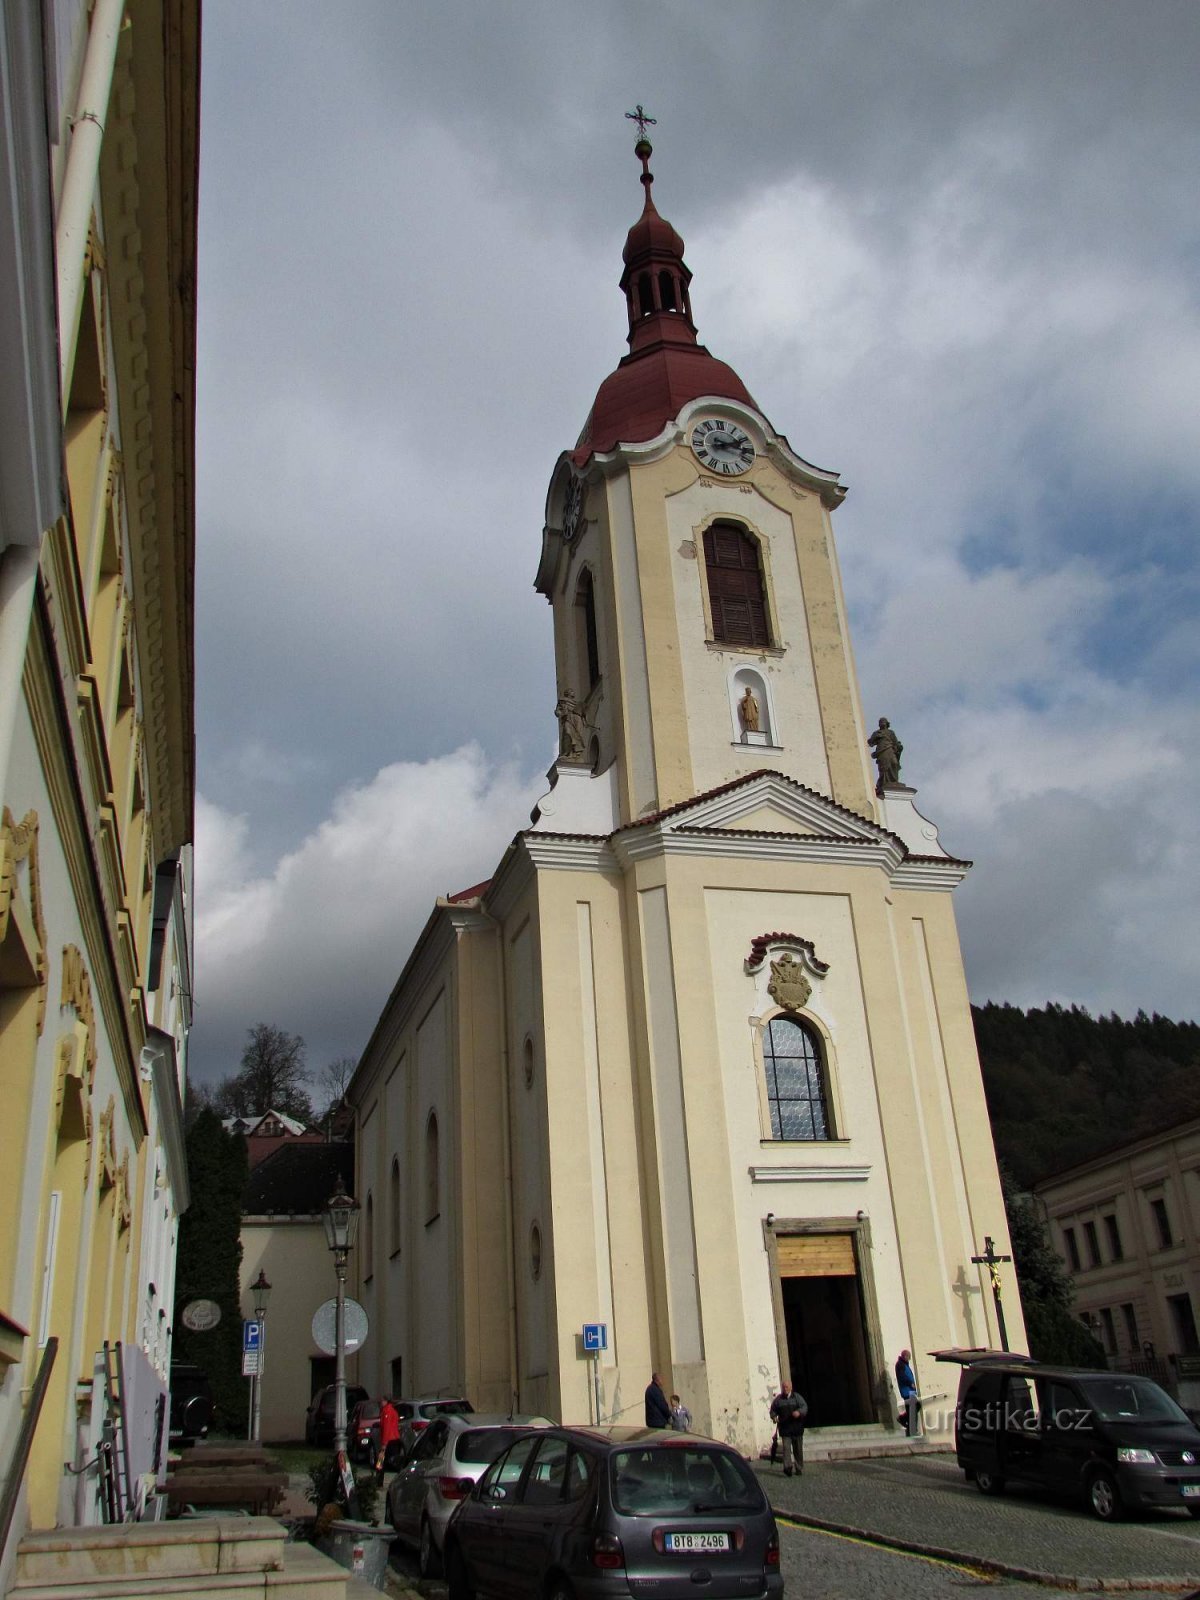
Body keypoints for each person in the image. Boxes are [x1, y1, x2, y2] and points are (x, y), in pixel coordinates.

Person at [769, 1379, 808, 1476]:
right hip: (785, 1429)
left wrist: (799, 1412)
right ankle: (788, 1468)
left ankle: (799, 1468)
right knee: (786, 1449)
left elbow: (804, 1407)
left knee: (798, 1450)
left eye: (786, 1387)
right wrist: (774, 1417)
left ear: (791, 1387)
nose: (785, 1389)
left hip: (796, 1428)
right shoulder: (778, 1399)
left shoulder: (797, 1397)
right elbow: (773, 1410)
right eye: (783, 1387)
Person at [868, 716, 903, 794]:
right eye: (880, 722)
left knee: (894, 763)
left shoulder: (891, 732)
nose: (882, 723)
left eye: (883, 721)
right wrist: (876, 737)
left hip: (889, 749)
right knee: (884, 766)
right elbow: (870, 743)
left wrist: (898, 746)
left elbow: (895, 742)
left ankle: (894, 781)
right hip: (881, 751)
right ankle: (884, 782)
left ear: (887, 724)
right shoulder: (877, 733)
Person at [895, 1349, 920, 1437]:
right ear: (905, 1356)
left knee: (915, 1408)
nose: (909, 1359)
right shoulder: (900, 1365)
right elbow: (902, 1376)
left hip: (910, 1391)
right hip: (907, 1391)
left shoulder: (904, 1364)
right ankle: (912, 1430)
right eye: (909, 1357)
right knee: (913, 1409)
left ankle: (903, 1419)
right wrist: (910, 1383)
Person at [375, 1395, 400, 1479]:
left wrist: (384, 1443)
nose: (380, 1403)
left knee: (381, 1461)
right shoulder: (392, 1410)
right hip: (394, 1438)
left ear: (386, 1401)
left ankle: (378, 1480)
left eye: (381, 1401)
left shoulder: (387, 1411)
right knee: (390, 1460)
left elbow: (386, 1427)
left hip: (389, 1440)